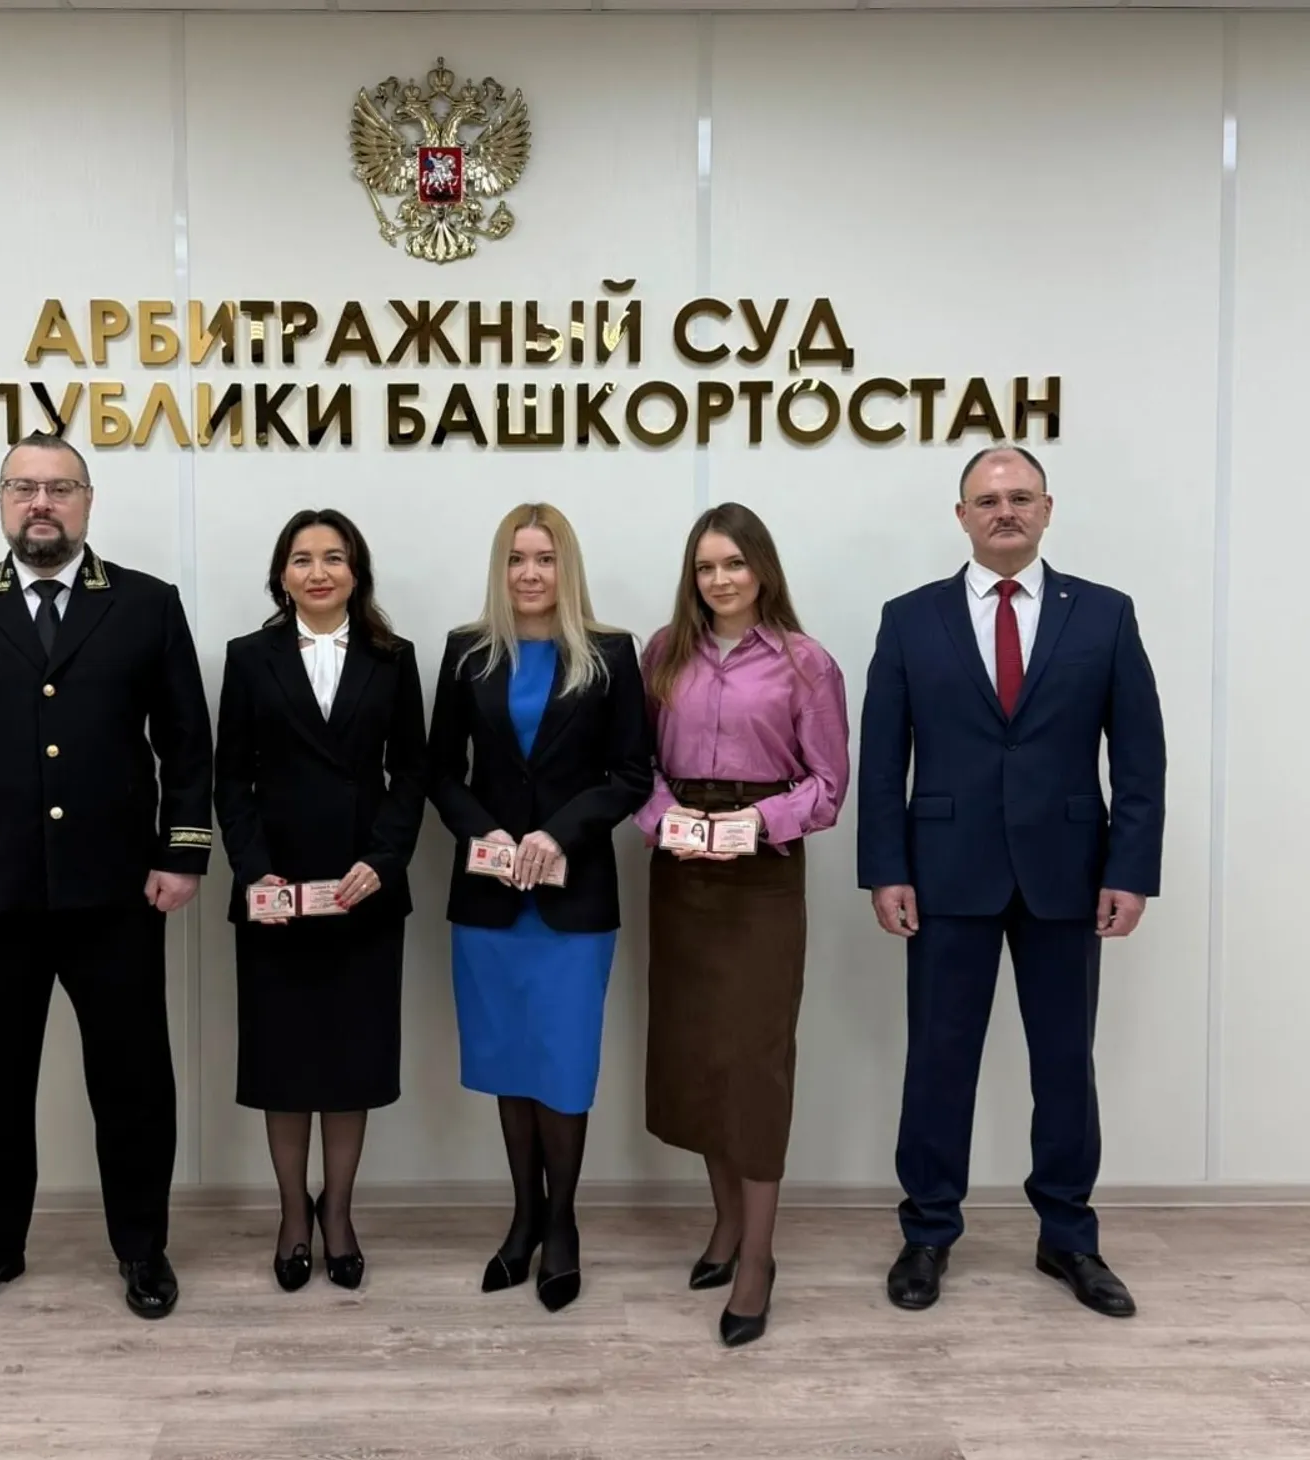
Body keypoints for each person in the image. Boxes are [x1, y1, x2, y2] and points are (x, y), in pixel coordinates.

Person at [0, 431, 213, 1324]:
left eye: (60, 488)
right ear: (1, 500)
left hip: (119, 887)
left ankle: (142, 1247)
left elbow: (187, 742)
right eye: (23, 487)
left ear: (87, 502)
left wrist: (181, 852)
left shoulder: (146, 604)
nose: (41, 503)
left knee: (133, 1079)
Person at [857, 445, 1165, 1318]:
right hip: (943, 874)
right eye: (988, 500)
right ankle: (928, 1232)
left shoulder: (1103, 615)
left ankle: (1068, 1235)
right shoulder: (909, 619)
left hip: (1068, 876)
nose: (1005, 511)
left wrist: (1130, 870)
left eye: (1020, 497)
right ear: (961, 516)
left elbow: (1140, 756)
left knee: (1064, 1063)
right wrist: (886, 869)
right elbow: (880, 760)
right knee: (938, 1060)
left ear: (1047, 509)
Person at [428, 502, 653, 1313]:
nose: (530, 573)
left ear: (567, 568)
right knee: (509, 1060)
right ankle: (522, 1217)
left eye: (545, 558)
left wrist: (560, 833)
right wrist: (484, 829)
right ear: (501, 568)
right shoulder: (467, 652)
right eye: (517, 558)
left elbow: (632, 774)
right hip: (489, 901)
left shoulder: (610, 653)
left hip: (573, 898)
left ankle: (562, 1224)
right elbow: (438, 770)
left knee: (561, 1063)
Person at [634, 504, 850, 1347]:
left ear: (762, 568)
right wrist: (667, 821)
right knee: (699, 1055)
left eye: (733, 563)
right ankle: (724, 1223)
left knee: (755, 1062)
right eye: (705, 567)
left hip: (762, 875)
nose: (720, 580)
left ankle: (757, 1257)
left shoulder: (806, 663)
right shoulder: (664, 652)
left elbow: (828, 785)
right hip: (682, 869)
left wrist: (758, 823)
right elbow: (641, 767)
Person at [215, 509, 426, 1292]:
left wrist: (383, 860)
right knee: (284, 1062)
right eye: (302, 559)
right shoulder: (248, 657)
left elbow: (412, 773)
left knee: (348, 1062)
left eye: (333, 558)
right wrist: (254, 870)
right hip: (277, 891)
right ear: (282, 575)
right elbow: (230, 777)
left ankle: (337, 1211)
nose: (318, 572)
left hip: (360, 890)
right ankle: (291, 1215)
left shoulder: (393, 658)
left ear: (356, 572)